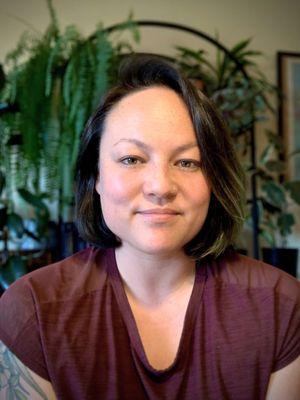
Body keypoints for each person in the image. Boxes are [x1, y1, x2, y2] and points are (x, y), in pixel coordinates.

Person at [0, 55, 299, 400]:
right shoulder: (31, 310)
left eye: (188, 162)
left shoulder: (282, 307)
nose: (160, 186)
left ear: (214, 180)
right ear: (95, 176)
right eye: (131, 159)